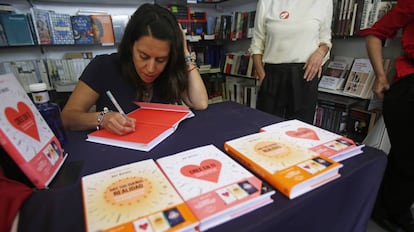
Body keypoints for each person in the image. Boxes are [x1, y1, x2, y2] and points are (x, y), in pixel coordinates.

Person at [61, 3, 208, 135]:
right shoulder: (103, 66)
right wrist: (102, 119)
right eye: (143, 56)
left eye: (160, 60)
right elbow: (67, 118)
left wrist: (184, 51)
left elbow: (200, 103)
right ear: (131, 46)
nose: (151, 68)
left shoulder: (170, 69)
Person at [358, 0, 414, 231]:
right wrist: (380, 77)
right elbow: (375, 34)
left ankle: (384, 210)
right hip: (409, 87)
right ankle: (389, 213)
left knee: (403, 159)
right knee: (408, 159)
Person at [249, 0, 332, 124]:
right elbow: (257, 43)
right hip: (272, 75)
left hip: (305, 75)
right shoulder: (267, 2)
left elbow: (325, 40)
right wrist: (262, 76)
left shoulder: (323, 2)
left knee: (301, 132)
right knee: (267, 128)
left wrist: (320, 53)